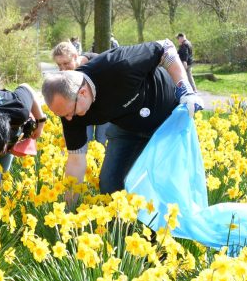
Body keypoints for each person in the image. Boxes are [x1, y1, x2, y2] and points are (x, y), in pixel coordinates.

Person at [41, 39, 197, 200]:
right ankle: (122, 224)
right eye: (63, 115)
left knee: (165, 187)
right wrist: (69, 210)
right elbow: (76, 161)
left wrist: (184, 88)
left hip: (167, 120)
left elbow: (165, 47)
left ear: (82, 93)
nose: (68, 119)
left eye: (69, 113)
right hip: (127, 129)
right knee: (110, 185)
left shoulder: (118, 65)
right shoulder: (69, 111)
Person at [51, 41, 107, 145]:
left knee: (103, 142)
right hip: (82, 111)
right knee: (84, 143)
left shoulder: (97, 61)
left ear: (75, 56)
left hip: (104, 107)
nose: (62, 69)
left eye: (66, 63)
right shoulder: (64, 75)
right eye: (59, 65)